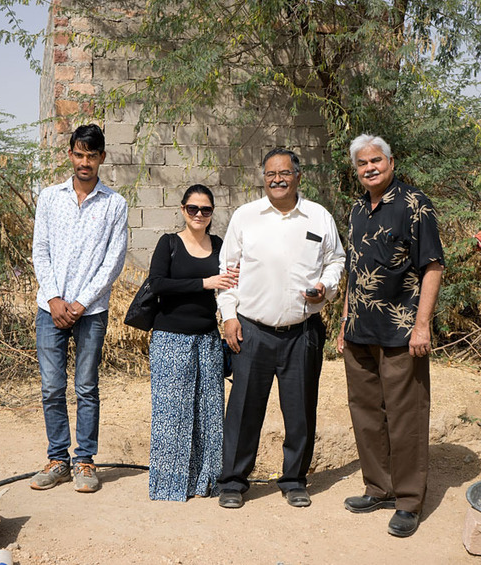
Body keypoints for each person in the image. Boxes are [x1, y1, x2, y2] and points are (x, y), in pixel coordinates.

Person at [217, 148, 345, 509]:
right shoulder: (246, 217)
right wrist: (229, 316)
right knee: (243, 410)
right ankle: (233, 482)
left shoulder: (318, 217)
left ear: (298, 177)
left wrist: (326, 286)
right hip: (251, 330)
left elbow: (336, 259)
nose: (277, 179)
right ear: (263, 178)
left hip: (302, 332)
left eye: (284, 173)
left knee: (301, 410)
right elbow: (228, 270)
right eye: (270, 173)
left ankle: (294, 480)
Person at [336, 134, 444, 536]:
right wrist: (345, 322)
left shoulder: (414, 205)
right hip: (360, 330)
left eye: (376, 160)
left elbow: (432, 266)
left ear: (391, 162)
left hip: (402, 331)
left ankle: (409, 500)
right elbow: (354, 272)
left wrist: (422, 324)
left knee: (405, 416)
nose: (370, 168)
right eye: (362, 163)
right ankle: (378, 487)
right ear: (357, 170)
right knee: (365, 413)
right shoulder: (356, 211)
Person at [30, 124, 128, 493]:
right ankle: (58, 459)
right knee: (52, 387)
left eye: (92, 155)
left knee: (86, 387)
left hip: (91, 311)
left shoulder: (114, 204)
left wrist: (81, 302)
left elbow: (113, 261)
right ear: (70, 154)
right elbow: (41, 250)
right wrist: (54, 299)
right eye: (79, 154)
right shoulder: (50, 198)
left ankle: (84, 461)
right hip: (49, 308)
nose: (85, 162)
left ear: (102, 157)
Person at [147, 184, 238, 501]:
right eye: (193, 209)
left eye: (206, 210)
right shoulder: (169, 244)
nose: (199, 214)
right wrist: (205, 282)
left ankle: (207, 482)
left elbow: (233, 282)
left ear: (212, 213)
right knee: (171, 415)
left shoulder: (219, 245)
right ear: (183, 210)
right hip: (170, 340)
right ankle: (170, 485)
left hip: (207, 341)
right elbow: (158, 283)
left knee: (209, 415)